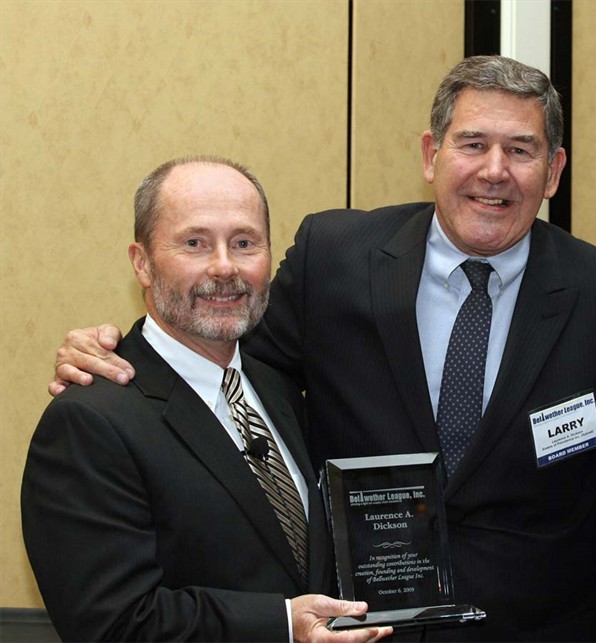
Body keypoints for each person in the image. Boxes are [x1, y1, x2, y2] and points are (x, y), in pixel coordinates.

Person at [48, 56, 596, 641]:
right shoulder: (334, 257)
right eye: (472, 144)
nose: (494, 170)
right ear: (431, 154)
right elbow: (222, 342)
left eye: (520, 150)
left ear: (554, 171)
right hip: (354, 629)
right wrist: (115, 353)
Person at [22, 157, 391, 643]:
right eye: (194, 243)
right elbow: (111, 625)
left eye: (244, 243)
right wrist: (281, 625)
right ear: (142, 262)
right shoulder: (88, 421)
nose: (224, 266)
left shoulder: (279, 389)